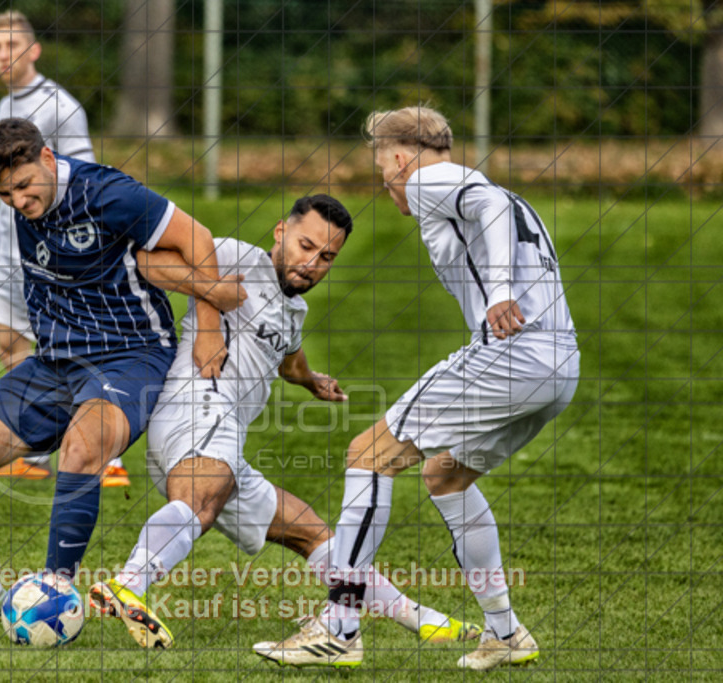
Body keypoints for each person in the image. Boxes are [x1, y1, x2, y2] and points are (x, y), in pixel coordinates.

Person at [0, 117, 246, 629]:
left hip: (131, 354)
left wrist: (208, 328)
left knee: (83, 446)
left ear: (48, 159)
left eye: (25, 187)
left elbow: (197, 237)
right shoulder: (18, 172)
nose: (18, 201)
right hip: (55, 360)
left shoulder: (109, 194)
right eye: (5, 195)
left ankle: (55, 591)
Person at [86, 195, 481, 661]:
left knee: (312, 533)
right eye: (305, 246)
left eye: (326, 257)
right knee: (200, 499)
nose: (311, 264)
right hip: (198, 407)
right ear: (280, 232)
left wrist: (312, 381)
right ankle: (128, 584)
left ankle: (425, 621)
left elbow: (290, 361)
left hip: (220, 436)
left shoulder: (294, 311)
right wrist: (209, 309)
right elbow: (147, 260)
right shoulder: (235, 256)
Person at [255, 106, 580, 670]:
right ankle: (505, 633)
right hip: (559, 363)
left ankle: (338, 628)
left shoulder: (430, 180)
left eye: (384, 170)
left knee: (368, 456)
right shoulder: (501, 196)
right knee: (445, 476)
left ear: (402, 157)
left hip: (511, 354)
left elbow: (487, 207)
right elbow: (491, 207)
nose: (387, 184)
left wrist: (501, 291)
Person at [0, 11, 125, 485]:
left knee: (73, 350)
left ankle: (107, 457)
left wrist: (77, 250)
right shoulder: (5, 106)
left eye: (12, 45)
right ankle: (37, 452)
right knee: (11, 346)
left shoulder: (61, 105)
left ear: (34, 50)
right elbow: (6, 190)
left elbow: (83, 180)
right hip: (10, 250)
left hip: (51, 252)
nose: (3, 54)